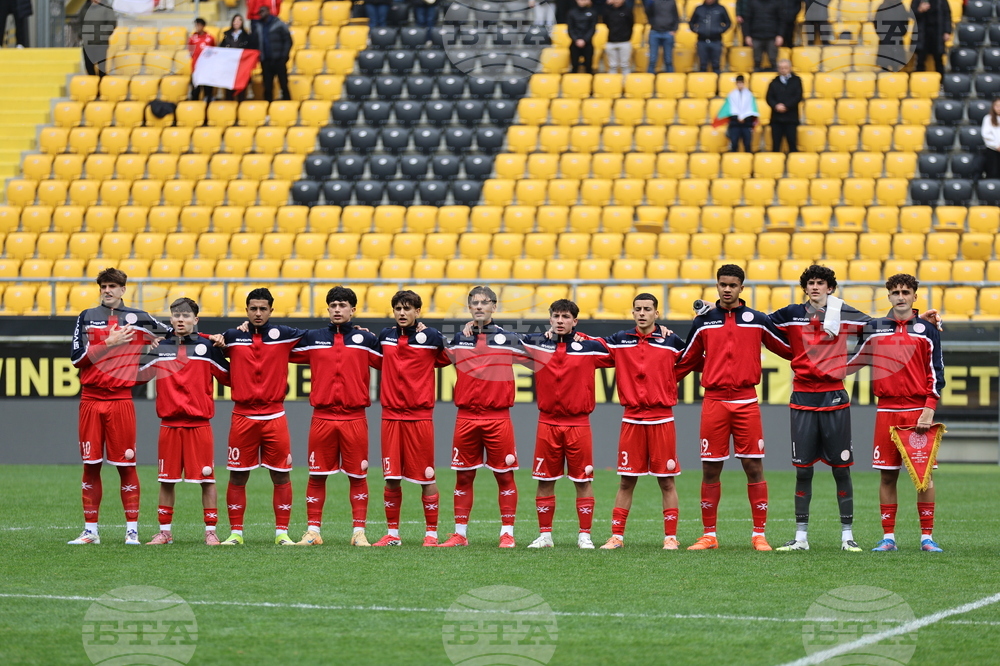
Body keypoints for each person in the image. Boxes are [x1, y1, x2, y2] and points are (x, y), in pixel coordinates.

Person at [675, 265, 793, 551]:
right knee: (710, 468)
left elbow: (789, 350)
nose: (727, 289)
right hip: (714, 401)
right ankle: (709, 536)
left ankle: (759, 535)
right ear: (717, 286)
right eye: (722, 284)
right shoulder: (703, 321)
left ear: (742, 288)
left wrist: (817, 339)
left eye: (732, 285)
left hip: (746, 401)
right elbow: (686, 360)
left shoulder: (757, 320)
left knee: (753, 466)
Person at [767, 267, 870, 552]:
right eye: (810, 283)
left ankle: (847, 536)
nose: (815, 287)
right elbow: (759, 326)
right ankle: (800, 538)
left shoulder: (843, 312)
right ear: (805, 287)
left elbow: (876, 328)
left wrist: (850, 363)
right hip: (802, 397)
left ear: (830, 288)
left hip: (834, 397)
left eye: (820, 283)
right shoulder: (791, 313)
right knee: (803, 471)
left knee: (841, 469)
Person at [68, 268, 171, 545]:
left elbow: (176, 334)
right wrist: (108, 342)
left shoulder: (138, 318)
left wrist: (158, 339)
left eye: (113, 286)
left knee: (126, 465)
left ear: (123, 289)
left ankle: (132, 531)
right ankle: (90, 531)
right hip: (91, 400)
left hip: (120, 400)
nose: (107, 290)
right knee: (91, 466)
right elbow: (77, 359)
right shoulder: (86, 317)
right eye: (103, 286)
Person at [848, 274, 945, 552]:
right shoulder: (874, 328)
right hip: (887, 410)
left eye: (905, 292)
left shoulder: (927, 330)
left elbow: (937, 372)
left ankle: (927, 538)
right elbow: (854, 360)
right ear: (888, 296)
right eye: (895, 292)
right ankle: (888, 537)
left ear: (915, 296)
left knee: (924, 477)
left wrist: (928, 409)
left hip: (917, 411)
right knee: (887, 475)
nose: (900, 297)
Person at [592, 294, 688, 550]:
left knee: (666, 481)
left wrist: (669, 379)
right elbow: (592, 347)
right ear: (633, 313)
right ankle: (617, 537)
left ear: (657, 313)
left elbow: (694, 358)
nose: (642, 313)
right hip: (632, 419)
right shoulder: (620, 340)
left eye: (647, 309)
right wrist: (574, 336)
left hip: (662, 419)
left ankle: (670, 537)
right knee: (626, 480)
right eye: (638, 309)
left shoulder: (671, 341)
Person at [288, 287, 382, 547]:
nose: (337, 309)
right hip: (322, 417)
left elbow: (397, 357)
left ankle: (359, 533)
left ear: (353, 310)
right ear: (328, 309)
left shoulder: (366, 340)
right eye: (333, 305)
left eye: (343, 305)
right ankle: (313, 532)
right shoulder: (313, 338)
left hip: (354, 417)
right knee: (317, 475)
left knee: (358, 476)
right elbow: (273, 346)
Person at [212, 288, 306, 545]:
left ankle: (282, 534)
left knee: (281, 475)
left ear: (271, 311)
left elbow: (322, 337)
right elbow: (206, 344)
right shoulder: (233, 337)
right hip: (242, 417)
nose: (258, 313)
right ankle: (236, 534)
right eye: (253, 308)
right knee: (238, 475)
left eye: (263, 308)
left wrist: (356, 331)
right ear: (246, 310)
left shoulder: (284, 335)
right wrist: (219, 339)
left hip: (275, 416)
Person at [521, 299, 614, 549]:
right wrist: (472, 326)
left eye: (565, 317)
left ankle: (585, 536)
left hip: (578, 424)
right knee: (544, 480)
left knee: (583, 480)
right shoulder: (537, 344)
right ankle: (545, 536)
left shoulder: (588, 347)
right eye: (556, 316)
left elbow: (620, 350)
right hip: (547, 423)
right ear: (550, 319)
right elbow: (504, 341)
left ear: (575, 321)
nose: (560, 321)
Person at [139, 298, 231, 546]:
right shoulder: (161, 347)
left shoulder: (207, 347)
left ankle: (211, 532)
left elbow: (229, 378)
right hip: (169, 424)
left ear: (195, 319)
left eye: (186, 316)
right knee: (166, 480)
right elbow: (138, 376)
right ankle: (164, 532)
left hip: (199, 425)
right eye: (176, 316)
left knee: (207, 479)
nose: (181, 320)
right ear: (171, 319)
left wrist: (224, 346)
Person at [438, 287, 524, 549]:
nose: (478, 307)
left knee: (504, 476)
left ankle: (507, 533)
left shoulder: (509, 339)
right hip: (465, 417)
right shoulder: (459, 339)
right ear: (469, 307)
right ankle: (460, 534)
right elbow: (428, 349)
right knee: (463, 477)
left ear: (494, 307)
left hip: (498, 417)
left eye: (484, 303)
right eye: (474, 303)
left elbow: (545, 343)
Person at [371, 290, 451, 547]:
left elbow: (450, 355)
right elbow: (371, 355)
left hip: (419, 417)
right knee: (391, 478)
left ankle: (431, 535)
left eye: (407, 308)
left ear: (418, 311)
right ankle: (393, 534)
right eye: (398, 308)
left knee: (426, 477)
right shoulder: (385, 336)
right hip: (390, 417)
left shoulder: (431, 337)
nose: (402, 313)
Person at [256, 4, 292, 102]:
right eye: (259, 12)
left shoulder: (279, 24)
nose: (261, 14)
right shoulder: (258, 26)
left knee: (283, 84)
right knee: (267, 86)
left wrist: (284, 56)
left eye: (262, 11)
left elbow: (288, 40)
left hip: (278, 59)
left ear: (268, 11)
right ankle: (268, 105)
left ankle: (288, 103)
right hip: (266, 60)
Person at [766, 59, 802, 152]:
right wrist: (776, 106)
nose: (783, 70)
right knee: (776, 145)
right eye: (781, 68)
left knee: (792, 144)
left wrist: (786, 106)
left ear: (790, 68)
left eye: (785, 68)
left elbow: (798, 96)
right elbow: (769, 98)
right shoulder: (774, 82)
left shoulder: (796, 80)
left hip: (791, 119)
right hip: (777, 119)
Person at [718, 75, 758, 153]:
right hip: (734, 124)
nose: (740, 85)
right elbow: (729, 109)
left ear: (744, 83)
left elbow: (752, 109)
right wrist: (737, 118)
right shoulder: (731, 95)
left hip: (746, 124)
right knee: (734, 144)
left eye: (741, 83)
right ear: (736, 83)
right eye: (738, 83)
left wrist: (745, 118)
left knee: (747, 144)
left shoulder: (749, 95)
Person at [220, 14, 255, 101]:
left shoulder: (246, 36)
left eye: (239, 20)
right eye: (235, 20)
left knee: (241, 89)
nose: (237, 22)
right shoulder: (227, 35)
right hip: (229, 66)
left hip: (241, 66)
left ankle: (240, 104)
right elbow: (221, 48)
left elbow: (250, 50)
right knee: (229, 89)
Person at [689, 0, 731, 72]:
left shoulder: (720, 9)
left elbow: (728, 22)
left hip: (716, 41)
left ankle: (717, 78)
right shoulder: (699, 9)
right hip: (702, 41)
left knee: (716, 64)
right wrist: (697, 30)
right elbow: (691, 22)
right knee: (702, 64)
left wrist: (720, 30)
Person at [911, 0, 951, 74]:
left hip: (937, 33)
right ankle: (919, 79)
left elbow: (946, 15)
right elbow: (911, 14)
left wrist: (947, 31)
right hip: (922, 34)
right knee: (920, 60)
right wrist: (920, 10)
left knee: (938, 60)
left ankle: (941, 79)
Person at [743, 0, 783, 70]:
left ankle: (775, 74)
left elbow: (781, 20)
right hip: (756, 36)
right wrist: (747, 35)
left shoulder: (776, 2)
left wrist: (780, 35)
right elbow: (747, 20)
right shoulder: (752, 3)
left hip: (772, 36)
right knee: (757, 60)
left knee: (773, 59)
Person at [80, 0, 116, 77]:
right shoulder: (85, 7)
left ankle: (101, 83)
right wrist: (81, 34)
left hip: (101, 43)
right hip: (87, 43)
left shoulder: (106, 7)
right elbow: (79, 23)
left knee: (102, 68)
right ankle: (93, 83)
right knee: (89, 67)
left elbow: (112, 23)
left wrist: (102, 34)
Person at [644, 0, 678, 74]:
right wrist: (653, 23)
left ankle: (670, 78)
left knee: (668, 60)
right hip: (655, 32)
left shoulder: (671, 2)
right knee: (652, 59)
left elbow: (676, 16)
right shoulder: (653, 2)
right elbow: (648, 12)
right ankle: (650, 78)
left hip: (668, 33)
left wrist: (674, 29)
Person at [188, 18, 216, 102]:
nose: (197, 27)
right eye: (196, 25)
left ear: (203, 26)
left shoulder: (210, 38)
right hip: (196, 68)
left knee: (207, 89)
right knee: (196, 90)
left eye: (199, 25)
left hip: (207, 68)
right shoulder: (192, 38)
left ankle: (208, 105)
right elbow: (190, 52)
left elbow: (214, 51)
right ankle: (195, 106)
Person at [567, 0, 598, 75]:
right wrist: (576, 39)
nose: (582, 2)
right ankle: (574, 81)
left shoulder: (592, 12)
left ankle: (589, 80)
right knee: (574, 65)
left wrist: (585, 40)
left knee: (588, 66)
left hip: (588, 43)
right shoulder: (571, 12)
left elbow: (592, 29)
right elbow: (570, 29)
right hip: (575, 43)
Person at [604, 0, 634, 74]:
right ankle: (613, 81)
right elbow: (606, 22)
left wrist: (627, 36)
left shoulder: (627, 10)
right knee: (612, 65)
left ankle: (626, 80)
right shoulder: (608, 11)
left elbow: (631, 24)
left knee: (625, 65)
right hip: (611, 41)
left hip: (624, 41)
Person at [981, 98, 1000, 179]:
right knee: (993, 173)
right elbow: (986, 135)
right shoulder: (988, 118)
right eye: (997, 106)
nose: (999, 108)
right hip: (992, 150)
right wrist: (996, 146)